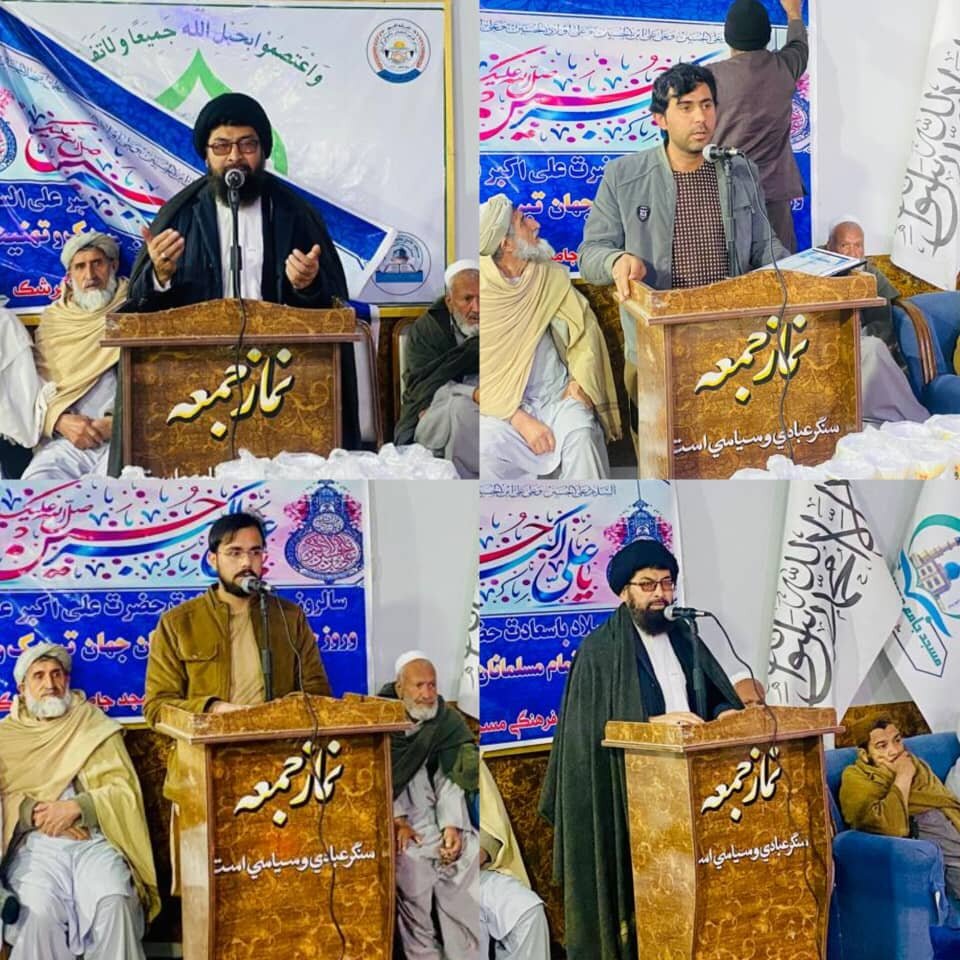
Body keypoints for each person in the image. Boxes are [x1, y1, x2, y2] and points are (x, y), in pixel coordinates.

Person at [539, 539, 742, 960]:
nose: (660, 595)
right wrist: (652, 724)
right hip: (632, 796)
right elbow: (586, 733)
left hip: (695, 790)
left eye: (667, 584)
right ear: (624, 592)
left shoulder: (685, 636)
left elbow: (715, 695)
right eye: (648, 585)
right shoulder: (599, 650)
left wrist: (724, 714)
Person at [124, 92, 359, 447]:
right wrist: (160, 275)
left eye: (247, 145)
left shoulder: (294, 213)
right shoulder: (180, 215)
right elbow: (140, 308)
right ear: (206, 155)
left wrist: (307, 284)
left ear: (263, 151)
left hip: (280, 375)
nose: (234, 156)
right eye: (221, 146)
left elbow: (332, 305)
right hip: (200, 380)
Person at [578, 62, 789, 454]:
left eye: (707, 105)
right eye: (686, 107)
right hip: (657, 347)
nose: (700, 118)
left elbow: (765, 248)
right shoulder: (624, 176)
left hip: (733, 345)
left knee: (735, 452)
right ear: (660, 118)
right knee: (662, 459)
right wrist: (616, 261)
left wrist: (799, 272)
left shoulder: (740, 171)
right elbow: (590, 254)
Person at [143, 511, 331, 819]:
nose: (247, 562)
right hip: (203, 774)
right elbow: (156, 708)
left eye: (255, 552)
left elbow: (317, 692)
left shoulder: (288, 616)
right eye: (234, 553)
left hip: (280, 773)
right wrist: (213, 709)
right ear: (213, 559)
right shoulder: (178, 623)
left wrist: (279, 714)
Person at [0, 643, 159, 959]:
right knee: (37, 913)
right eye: (39, 676)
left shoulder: (92, 724)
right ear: (22, 688)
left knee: (114, 901)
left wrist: (78, 807)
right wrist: (32, 812)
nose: (50, 684)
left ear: (67, 679)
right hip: (36, 845)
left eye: (57, 674)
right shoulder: (7, 737)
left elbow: (124, 791)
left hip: (94, 840)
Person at [480, 194, 621, 480]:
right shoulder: (479, 293)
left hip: (557, 396)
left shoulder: (549, 276)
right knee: (484, 450)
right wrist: (518, 418)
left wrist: (580, 382)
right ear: (506, 244)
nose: (536, 225)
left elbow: (584, 334)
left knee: (582, 434)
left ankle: (590, 509)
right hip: (501, 412)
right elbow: (474, 376)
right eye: (523, 221)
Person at [0, 232, 127, 482]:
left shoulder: (135, 311)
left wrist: (116, 425)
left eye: (97, 263)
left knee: (112, 492)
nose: (90, 275)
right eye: (80, 267)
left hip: (123, 438)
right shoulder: (54, 322)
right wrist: (59, 421)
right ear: (69, 275)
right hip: (66, 442)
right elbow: (34, 391)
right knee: (34, 489)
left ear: (113, 266)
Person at [379, 651, 480, 960]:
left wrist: (452, 826)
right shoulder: (378, 720)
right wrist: (397, 821)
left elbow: (452, 777)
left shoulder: (445, 722)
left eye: (432, 685)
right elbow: (376, 779)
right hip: (403, 825)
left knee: (468, 857)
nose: (427, 693)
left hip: (441, 819)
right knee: (411, 868)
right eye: (419, 685)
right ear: (400, 688)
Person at [710, 0, 808, 252]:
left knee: (732, 267)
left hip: (727, 194)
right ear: (766, 36)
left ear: (728, 37)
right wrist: (794, 13)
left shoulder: (708, 78)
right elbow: (799, 47)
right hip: (774, 197)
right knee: (780, 267)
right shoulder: (784, 68)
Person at [840, 718, 960, 913]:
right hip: (929, 849)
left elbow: (946, 801)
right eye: (882, 746)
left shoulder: (916, 765)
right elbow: (890, 827)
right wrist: (903, 776)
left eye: (897, 740)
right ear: (864, 754)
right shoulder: (856, 778)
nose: (895, 750)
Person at [825, 216, 928, 422]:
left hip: (861, 342)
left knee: (873, 349)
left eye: (858, 246)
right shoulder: (816, 271)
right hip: (824, 344)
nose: (853, 253)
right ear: (830, 246)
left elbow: (882, 323)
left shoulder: (870, 274)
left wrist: (856, 335)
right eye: (845, 245)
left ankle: (909, 418)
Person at [395, 259, 479, 478]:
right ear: (449, 302)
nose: (477, 308)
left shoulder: (500, 327)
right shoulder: (427, 331)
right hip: (432, 411)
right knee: (460, 409)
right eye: (468, 299)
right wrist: (472, 393)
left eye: (483, 299)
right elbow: (423, 386)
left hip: (490, 409)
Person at [480, 757, 550, 960]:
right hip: (417, 877)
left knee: (526, 910)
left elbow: (491, 826)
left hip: (473, 873)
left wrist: (479, 850)